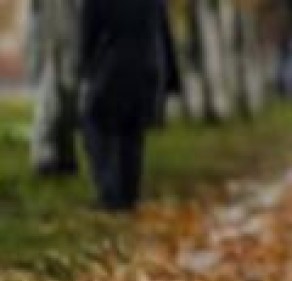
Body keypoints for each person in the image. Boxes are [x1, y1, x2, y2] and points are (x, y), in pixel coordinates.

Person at [78, 0, 180, 212]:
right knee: (132, 134)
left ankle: (111, 195)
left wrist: (85, 68)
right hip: (148, 66)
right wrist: (171, 78)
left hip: (114, 65)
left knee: (96, 124)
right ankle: (128, 196)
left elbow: (89, 32)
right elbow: (164, 32)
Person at [28, 0, 82, 178]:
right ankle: (44, 157)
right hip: (50, 44)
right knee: (49, 103)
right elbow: (36, 16)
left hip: (69, 42)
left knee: (68, 102)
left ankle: (66, 157)